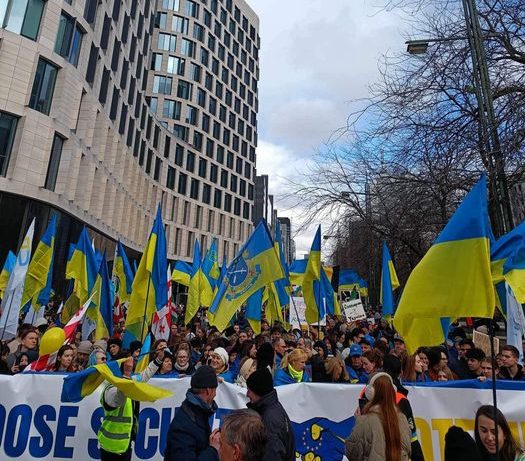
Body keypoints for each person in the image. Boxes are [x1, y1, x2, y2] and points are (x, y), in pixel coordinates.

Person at [98, 349, 164, 460]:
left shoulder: (131, 381)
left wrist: (158, 360)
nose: (132, 364)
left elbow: (144, 376)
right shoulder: (110, 387)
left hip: (125, 445)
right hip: (111, 447)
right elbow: (119, 398)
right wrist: (127, 375)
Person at [346, 373, 411, 461]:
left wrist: (359, 421)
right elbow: (408, 450)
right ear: (393, 391)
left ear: (370, 392)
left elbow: (352, 452)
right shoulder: (402, 418)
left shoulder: (365, 421)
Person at [164, 365, 220, 461]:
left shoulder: (198, 413)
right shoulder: (183, 426)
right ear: (208, 391)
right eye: (215, 391)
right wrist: (213, 450)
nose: (215, 395)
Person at [382, 355, 425, 461]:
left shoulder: (366, 393)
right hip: (394, 451)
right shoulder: (400, 398)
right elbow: (412, 434)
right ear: (400, 372)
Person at [246, 368, 295, 461]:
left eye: (249, 390)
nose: (247, 394)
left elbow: (272, 455)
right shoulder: (273, 407)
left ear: (258, 391)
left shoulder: (269, 422)